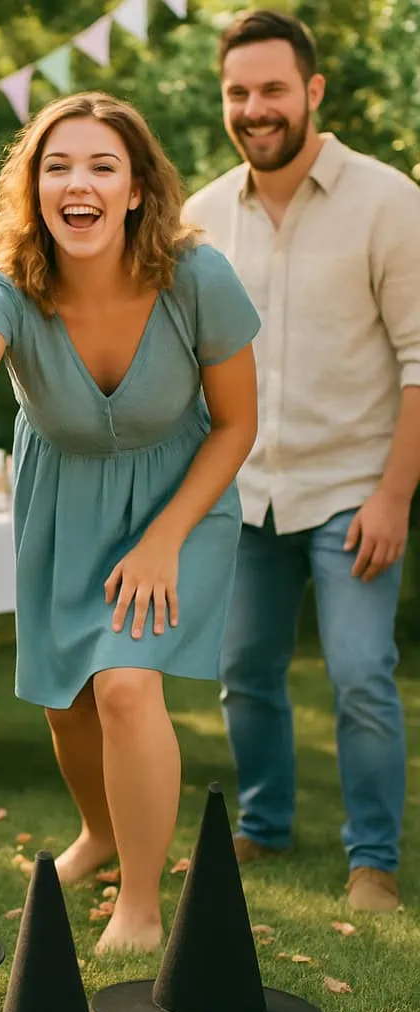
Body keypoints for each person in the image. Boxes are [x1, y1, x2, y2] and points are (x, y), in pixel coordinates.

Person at [0, 92, 260, 954]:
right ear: (34, 189)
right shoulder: (8, 288)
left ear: (136, 190)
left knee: (124, 685)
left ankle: (141, 903)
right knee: (70, 705)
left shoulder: (198, 277)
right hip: (62, 503)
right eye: (57, 167)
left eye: (101, 166)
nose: (78, 183)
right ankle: (100, 830)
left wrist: (163, 540)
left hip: (181, 499)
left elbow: (238, 424)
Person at [183, 10, 420, 912]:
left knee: (360, 675)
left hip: (353, 491)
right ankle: (266, 824)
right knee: (244, 673)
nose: (255, 108)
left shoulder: (389, 202)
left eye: (273, 89)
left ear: (313, 90)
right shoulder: (201, 218)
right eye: (238, 92)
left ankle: (374, 861)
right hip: (242, 495)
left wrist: (394, 495)